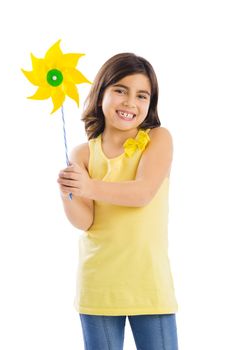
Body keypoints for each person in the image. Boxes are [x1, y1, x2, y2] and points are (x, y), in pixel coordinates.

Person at [57, 53, 179, 350]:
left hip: (148, 283)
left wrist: (89, 186)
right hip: (99, 283)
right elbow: (85, 221)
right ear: (101, 94)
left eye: (141, 95)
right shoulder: (83, 154)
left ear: (150, 104)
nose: (130, 102)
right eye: (120, 90)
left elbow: (142, 193)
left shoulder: (158, 139)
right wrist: (68, 192)